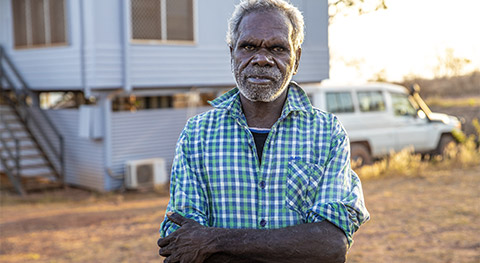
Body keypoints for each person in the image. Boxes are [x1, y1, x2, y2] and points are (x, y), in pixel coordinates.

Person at [157, 0, 369, 262]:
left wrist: (212, 240)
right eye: (248, 46)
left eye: (278, 48)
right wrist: (294, 245)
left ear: (297, 58)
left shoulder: (327, 134)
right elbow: (182, 248)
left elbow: (330, 245)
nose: (262, 59)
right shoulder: (197, 135)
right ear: (232, 52)